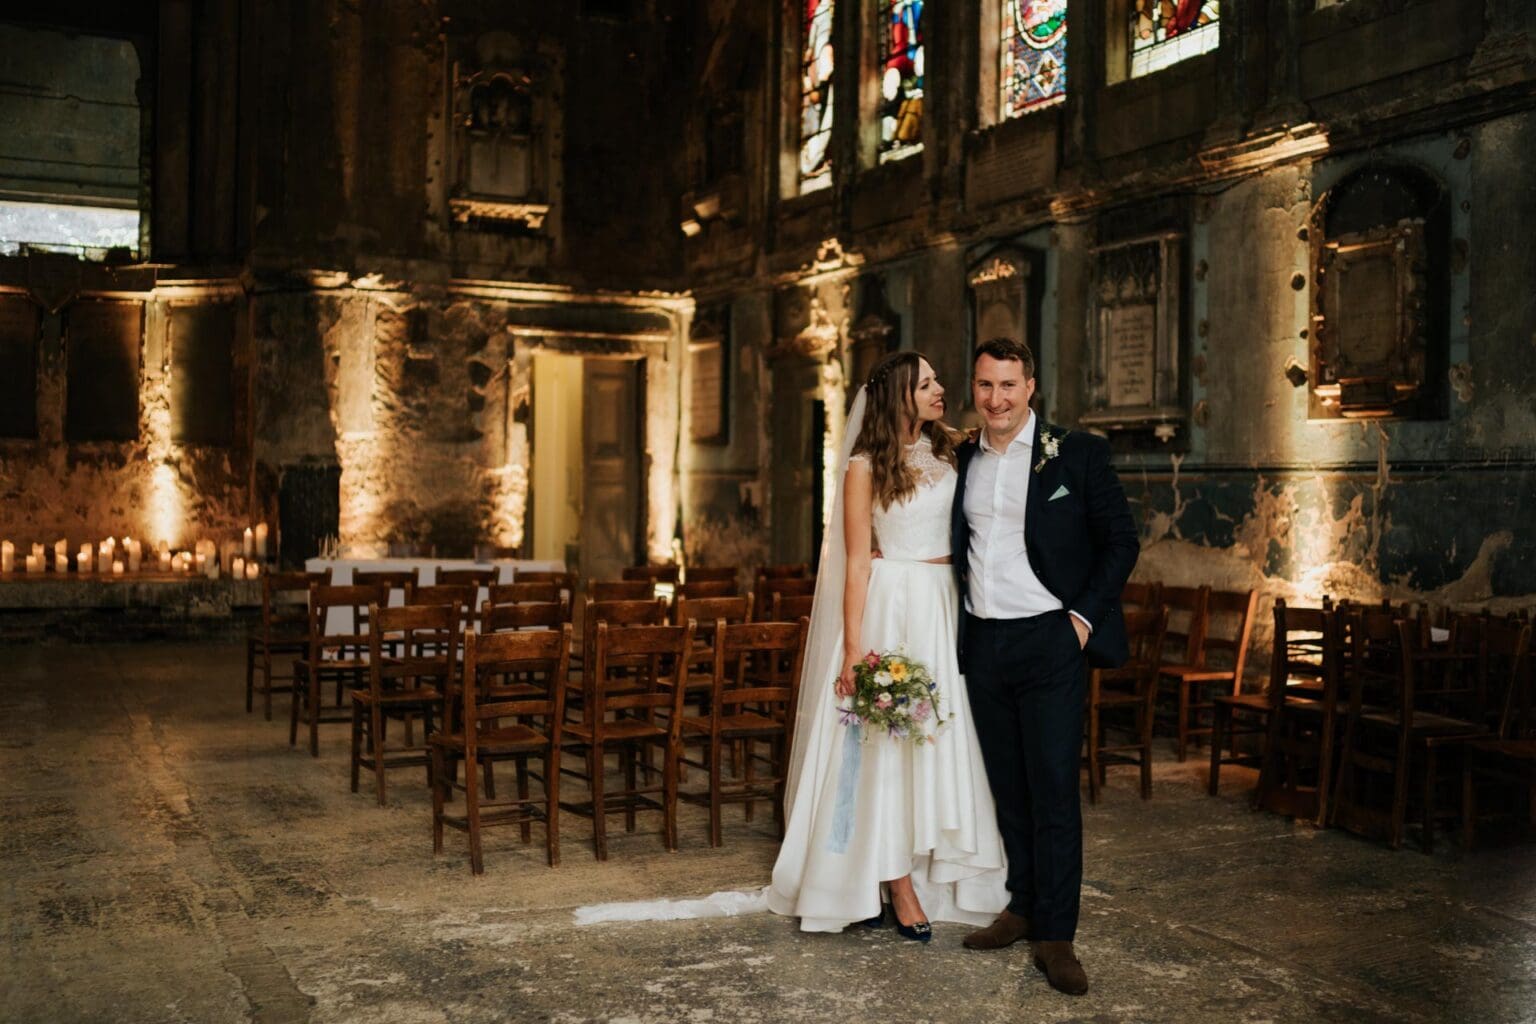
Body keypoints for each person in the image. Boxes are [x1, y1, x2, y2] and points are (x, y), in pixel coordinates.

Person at [767, 351, 1008, 938]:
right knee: (886, 743)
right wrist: (854, 650)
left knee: (942, 734)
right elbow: (855, 562)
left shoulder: (950, 448)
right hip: (893, 608)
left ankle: (939, 868)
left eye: (937, 379)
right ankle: (896, 883)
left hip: (944, 604)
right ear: (900, 394)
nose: (940, 388)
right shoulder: (864, 466)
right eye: (926, 383)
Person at [951, 337, 1139, 996]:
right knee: (1009, 788)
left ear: (1030, 387)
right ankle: (1023, 906)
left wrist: (1080, 621)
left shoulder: (1077, 454)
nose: (996, 399)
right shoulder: (962, 457)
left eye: (1008, 385)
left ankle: (1057, 936)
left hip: (1051, 640)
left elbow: (1122, 541)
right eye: (985, 385)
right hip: (984, 643)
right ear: (974, 388)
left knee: (1054, 789)